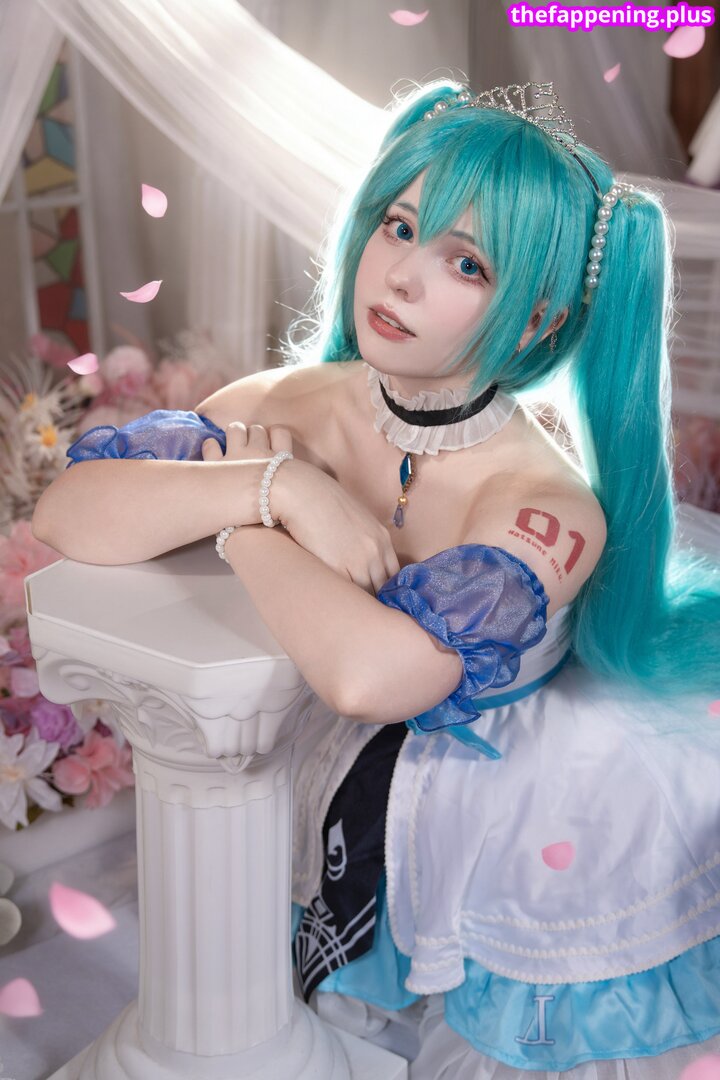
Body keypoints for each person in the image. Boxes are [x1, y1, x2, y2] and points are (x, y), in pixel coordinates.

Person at [31, 80, 720, 1077]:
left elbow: (374, 680)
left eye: (466, 263)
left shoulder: (546, 502)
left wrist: (249, 521)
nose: (401, 276)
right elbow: (69, 513)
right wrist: (280, 486)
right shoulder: (300, 403)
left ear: (536, 320)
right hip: (361, 774)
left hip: (528, 805)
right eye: (399, 227)